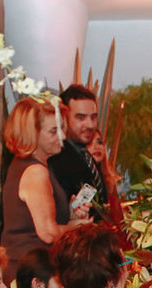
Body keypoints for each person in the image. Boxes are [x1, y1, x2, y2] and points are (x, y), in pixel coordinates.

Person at [0, 96, 84, 281]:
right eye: (53, 131)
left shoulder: (30, 165)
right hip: (31, 274)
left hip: (30, 269)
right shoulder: (36, 171)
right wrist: (78, 228)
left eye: (62, 128)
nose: (62, 136)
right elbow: (48, 233)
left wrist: (71, 214)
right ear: (32, 134)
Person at [48, 85, 108, 223]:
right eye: (81, 118)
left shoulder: (85, 155)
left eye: (93, 117)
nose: (90, 125)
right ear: (63, 118)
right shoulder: (56, 158)